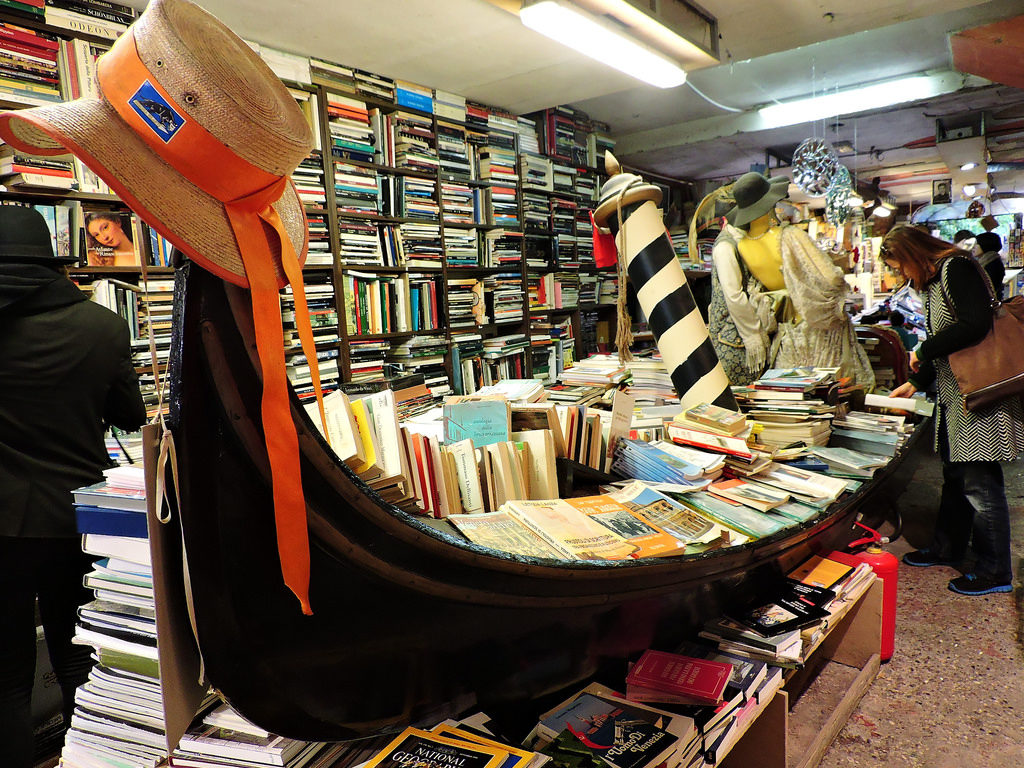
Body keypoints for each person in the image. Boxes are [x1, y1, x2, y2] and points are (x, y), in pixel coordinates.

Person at [0, 206, 147, 767]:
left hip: (1, 530)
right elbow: (131, 417)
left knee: (7, 679)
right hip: (80, 523)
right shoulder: (104, 328)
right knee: (80, 656)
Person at [883, 224, 1024, 596]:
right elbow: (946, 343)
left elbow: (974, 325)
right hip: (955, 394)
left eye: (900, 266)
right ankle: (948, 546)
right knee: (956, 474)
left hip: (978, 393)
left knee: (979, 481)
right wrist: (915, 381)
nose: (902, 275)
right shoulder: (935, 281)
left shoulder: (956, 268)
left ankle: (996, 571)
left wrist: (923, 351)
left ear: (912, 254)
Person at [725, 172, 874, 388]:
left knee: (793, 397)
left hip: (788, 335)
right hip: (820, 332)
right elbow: (831, 278)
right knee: (828, 396)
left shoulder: (743, 245)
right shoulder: (788, 236)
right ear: (768, 204)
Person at [975, 231, 1005, 300]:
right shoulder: (987, 261)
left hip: (988, 304)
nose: (973, 247)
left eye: (977, 244)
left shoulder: (992, 264)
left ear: (985, 245)